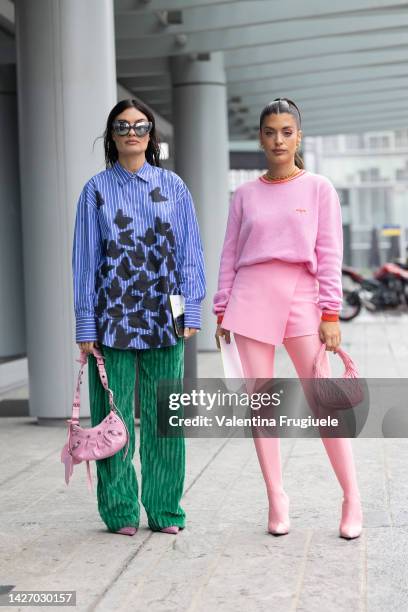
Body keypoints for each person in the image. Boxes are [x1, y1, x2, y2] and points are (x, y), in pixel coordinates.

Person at [213, 98, 363, 539]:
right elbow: (229, 254)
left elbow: (330, 254)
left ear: (298, 136)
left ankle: (352, 497)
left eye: (286, 131)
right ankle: (276, 498)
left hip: (303, 296)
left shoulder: (319, 188)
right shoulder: (244, 194)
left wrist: (331, 312)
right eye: (270, 132)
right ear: (260, 137)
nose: (278, 139)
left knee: (324, 404)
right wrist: (223, 306)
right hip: (250, 299)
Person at [72, 98, 206, 536]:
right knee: (113, 419)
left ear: (152, 135)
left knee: (166, 419)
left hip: (165, 318)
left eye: (140, 125)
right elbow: (85, 261)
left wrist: (193, 309)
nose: (132, 132)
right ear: (111, 135)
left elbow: (189, 254)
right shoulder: (95, 190)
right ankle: (120, 510)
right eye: (122, 126)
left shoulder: (174, 187)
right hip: (111, 320)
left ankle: (165, 510)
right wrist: (85, 323)